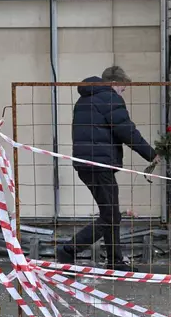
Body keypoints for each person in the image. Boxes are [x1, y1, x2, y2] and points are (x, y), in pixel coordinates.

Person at [56, 66, 158, 271]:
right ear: (114, 82)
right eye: (123, 86)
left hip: (87, 163)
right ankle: (69, 250)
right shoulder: (109, 98)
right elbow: (126, 130)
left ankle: (115, 261)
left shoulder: (85, 98)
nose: (124, 91)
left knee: (110, 213)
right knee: (110, 216)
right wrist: (151, 154)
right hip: (99, 164)